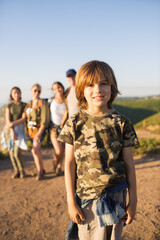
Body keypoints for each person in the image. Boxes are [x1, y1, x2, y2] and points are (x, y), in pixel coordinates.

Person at [59, 60, 139, 240]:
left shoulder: (122, 123)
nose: (97, 90)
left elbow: (129, 164)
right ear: (81, 89)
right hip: (86, 199)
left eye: (104, 83)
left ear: (112, 87)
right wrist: (71, 202)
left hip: (116, 196)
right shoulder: (74, 123)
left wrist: (133, 201)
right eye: (90, 85)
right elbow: (69, 163)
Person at [24, 83, 50, 180]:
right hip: (30, 131)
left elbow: (45, 119)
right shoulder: (29, 104)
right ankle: (42, 169)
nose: (37, 93)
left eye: (39, 91)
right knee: (37, 150)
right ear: (31, 91)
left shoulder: (42, 103)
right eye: (35, 90)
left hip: (39, 130)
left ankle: (40, 172)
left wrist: (39, 133)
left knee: (34, 150)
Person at [5, 87, 27, 179]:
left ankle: (22, 170)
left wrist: (12, 124)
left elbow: (23, 119)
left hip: (20, 129)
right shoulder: (9, 106)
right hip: (10, 130)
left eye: (18, 93)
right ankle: (16, 170)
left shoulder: (24, 105)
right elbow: (7, 120)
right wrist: (12, 130)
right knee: (11, 153)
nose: (16, 95)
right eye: (14, 93)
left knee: (17, 153)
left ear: (20, 94)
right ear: (11, 95)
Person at [48, 81, 67, 176]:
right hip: (53, 128)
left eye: (59, 87)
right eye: (55, 89)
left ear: (62, 87)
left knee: (63, 150)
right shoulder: (51, 101)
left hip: (64, 127)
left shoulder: (67, 100)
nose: (57, 90)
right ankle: (55, 163)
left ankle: (59, 167)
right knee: (58, 150)